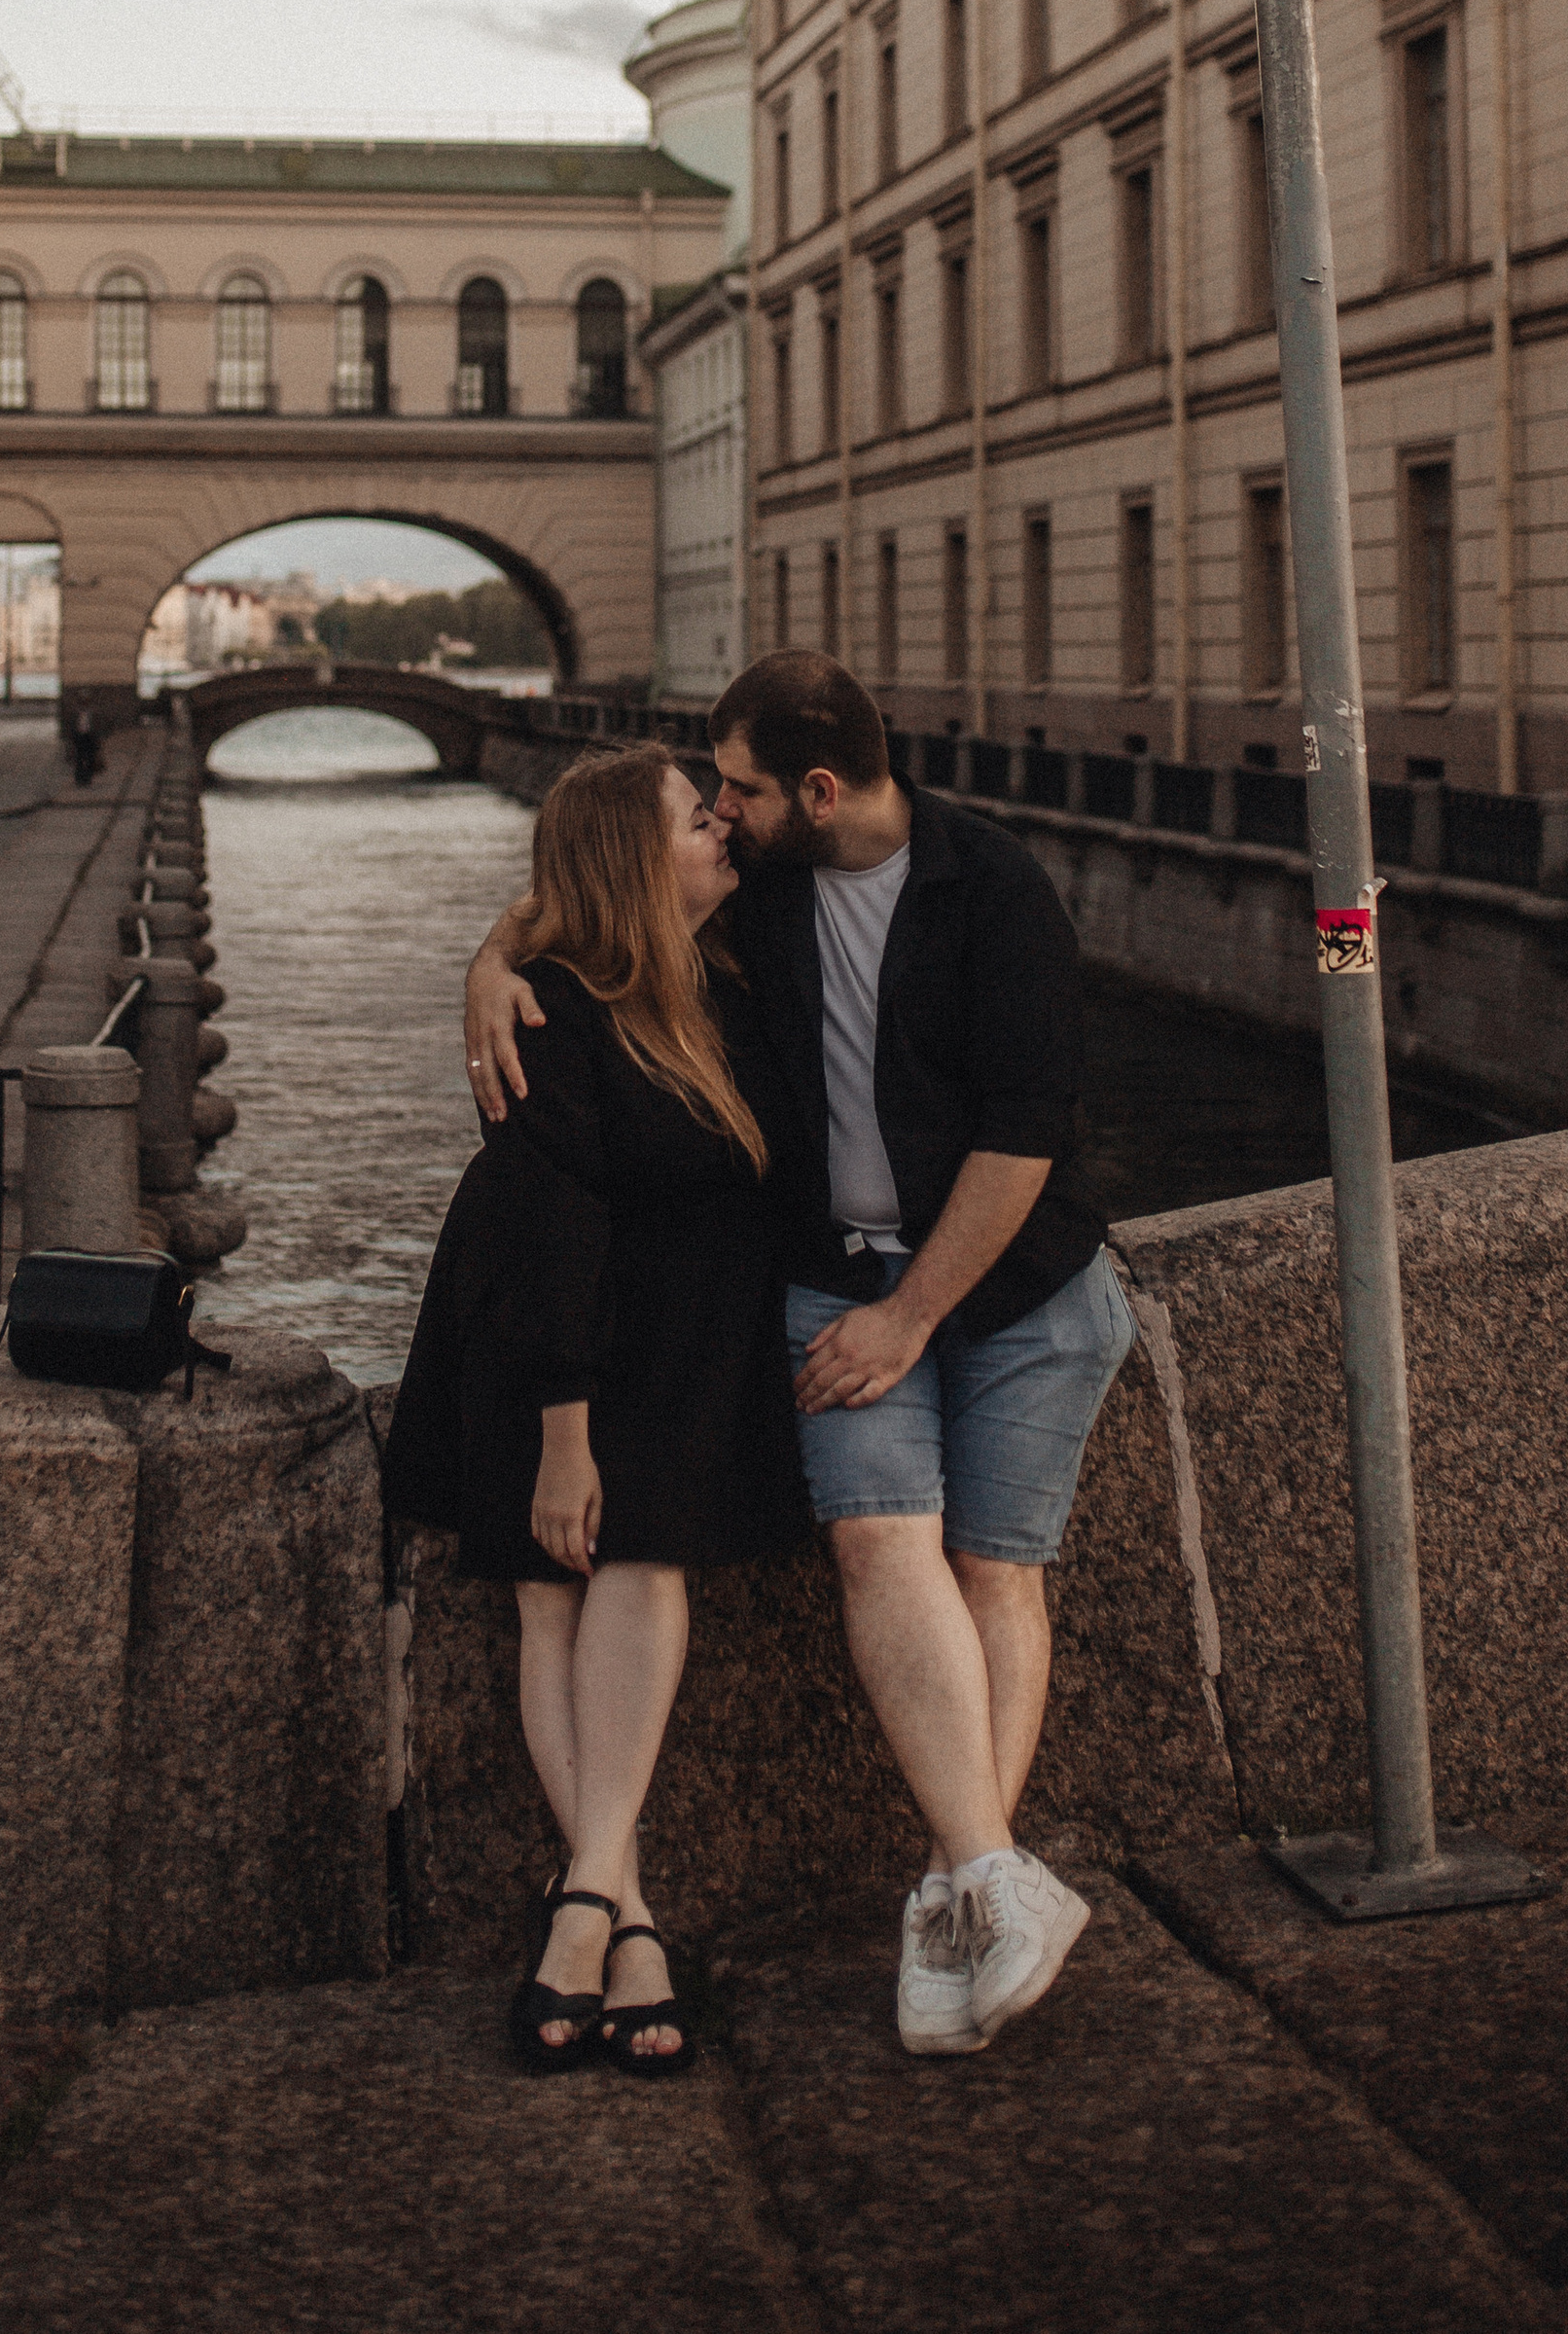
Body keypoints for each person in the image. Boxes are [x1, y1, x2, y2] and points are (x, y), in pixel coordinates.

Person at [466, 649, 1132, 2060]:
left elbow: (1024, 1138)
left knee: (997, 1571)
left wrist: (911, 1320)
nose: (722, 807)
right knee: (879, 1546)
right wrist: (491, 959)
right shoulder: (757, 882)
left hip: (1016, 1286)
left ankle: (965, 1892)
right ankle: (993, 1892)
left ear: (818, 792)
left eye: (743, 787)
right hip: (836, 1285)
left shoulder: (996, 890)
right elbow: (594, 895)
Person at [385, 739, 810, 2077]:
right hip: (538, 1331)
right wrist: (563, 1440)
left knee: (641, 1562)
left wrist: (488, 944)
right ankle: (622, 1917)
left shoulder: (736, 969)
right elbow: (550, 1221)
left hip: (683, 1341)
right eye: (699, 821)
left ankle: (596, 1908)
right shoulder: (552, 1010)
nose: (725, 833)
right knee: (548, 1586)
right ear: (640, 858)